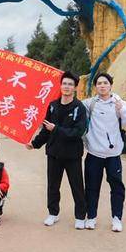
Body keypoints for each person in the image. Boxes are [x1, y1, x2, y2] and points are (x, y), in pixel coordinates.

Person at [26, 71, 88, 229]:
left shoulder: (79, 108)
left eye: (70, 84)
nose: (67, 87)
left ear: (75, 88)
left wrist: (56, 129)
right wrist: (35, 144)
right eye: (64, 83)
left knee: (77, 186)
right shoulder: (52, 106)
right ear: (60, 86)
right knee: (53, 186)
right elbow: (46, 130)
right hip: (54, 153)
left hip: (72, 154)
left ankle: (80, 216)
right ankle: (53, 213)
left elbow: (78, 132)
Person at [82, 72, 126, 232]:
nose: (102, 86)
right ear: (95, 86)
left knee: (117, 187)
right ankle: (91, 217)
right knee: (91, 187)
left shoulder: (119, 103)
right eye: (99, 83)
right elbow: (73, 108)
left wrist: (123, 111)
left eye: (105, 83)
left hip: (113, 156)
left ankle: (117, 218)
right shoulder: (89, 104)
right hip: (94, 154)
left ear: (111, 85)